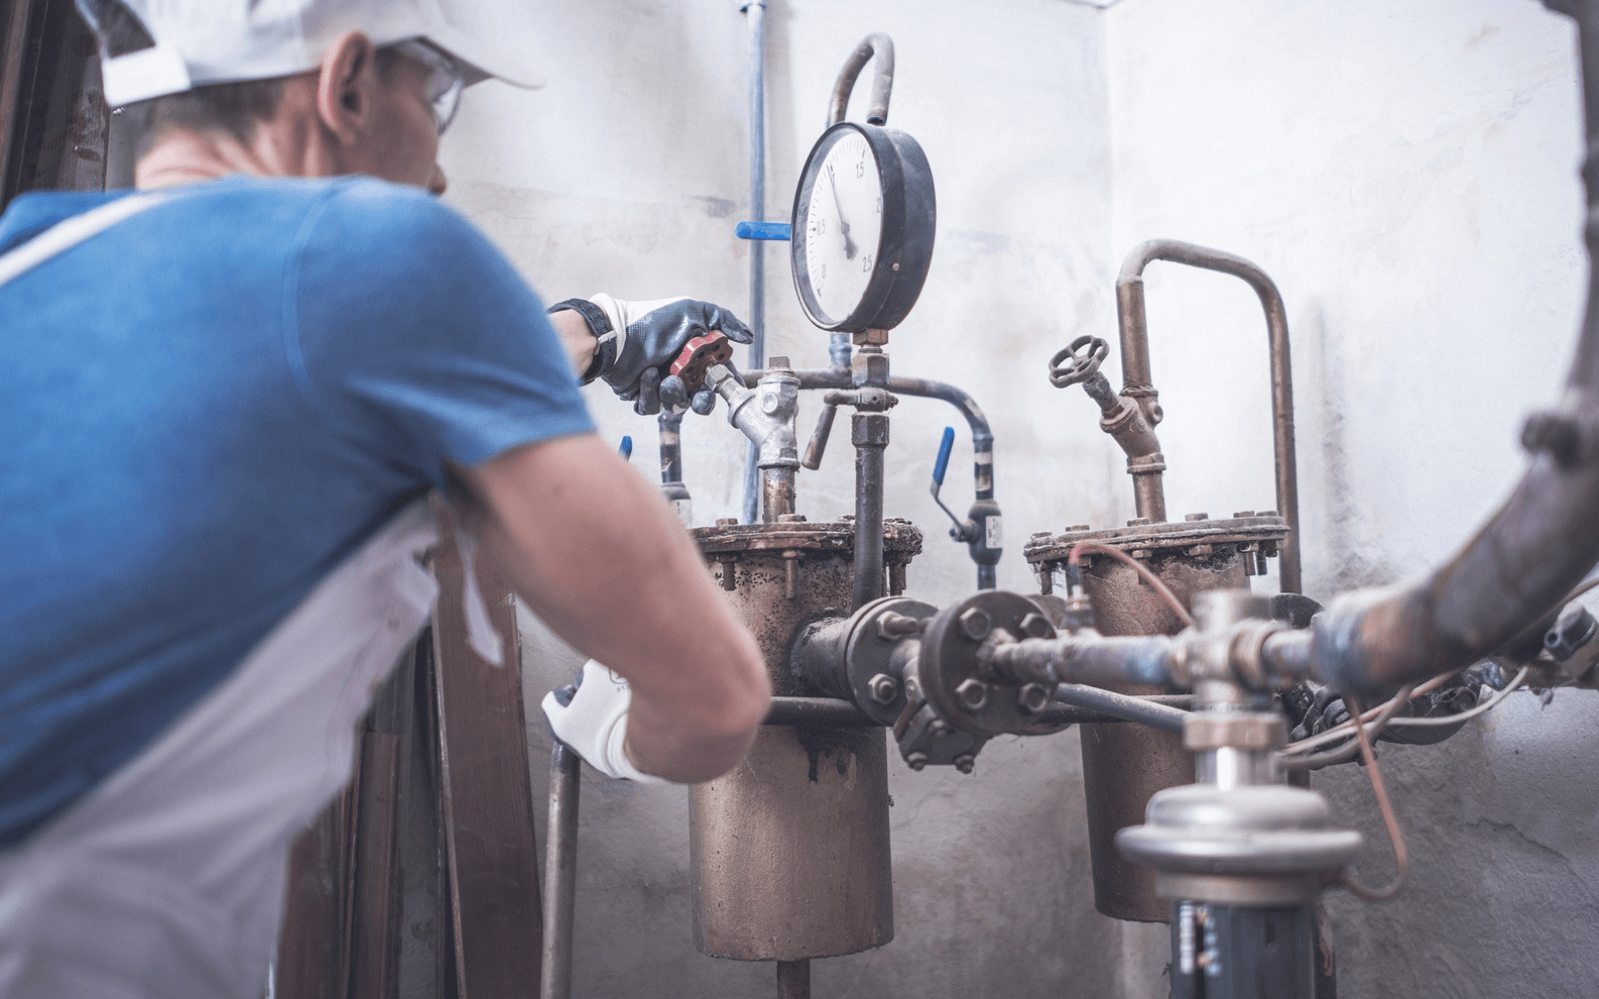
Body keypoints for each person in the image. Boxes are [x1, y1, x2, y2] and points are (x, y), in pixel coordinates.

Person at [0, 0, 769, 994]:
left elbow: (278, 364)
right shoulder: (382, 249)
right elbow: (713, 700)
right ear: (346, 83)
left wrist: (597, 330)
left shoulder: (24, 269)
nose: (440, 169)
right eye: (436, 96)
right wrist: (610, 736)